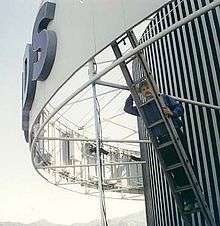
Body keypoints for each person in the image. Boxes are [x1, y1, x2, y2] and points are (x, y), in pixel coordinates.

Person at [124, 80, 196, 212]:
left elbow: (179, 108)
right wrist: (131, 93)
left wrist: (172, 112)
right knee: (175, 170)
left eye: (148, 87)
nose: (146, 90)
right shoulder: (143, 107)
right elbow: (127, 108)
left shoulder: (164, 98)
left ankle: (196, 198)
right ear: (141, 93)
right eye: (143, 89)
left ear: (154, 88)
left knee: (186, 165)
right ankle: (188, 200)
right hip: (162, 140)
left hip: (175, 134)